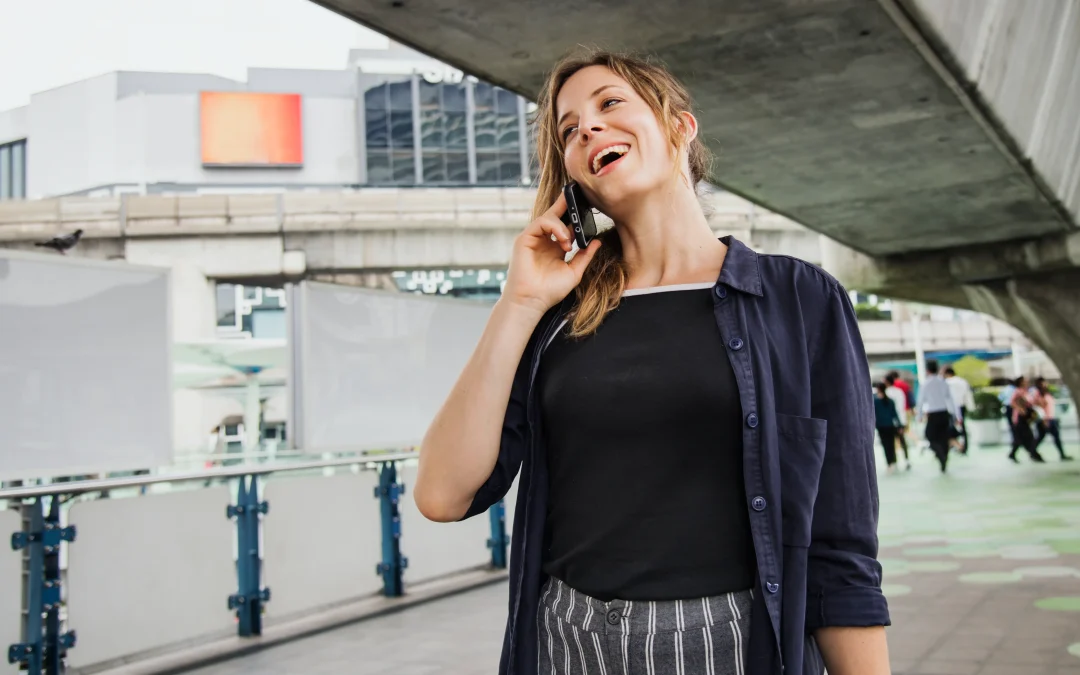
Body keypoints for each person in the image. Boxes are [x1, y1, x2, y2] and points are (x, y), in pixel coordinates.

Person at [415, 50, 890, 675]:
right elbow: (444, 495)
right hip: (567, 639)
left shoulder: (798, 298)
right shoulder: (555, 315)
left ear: (679, 128)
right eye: (568, 128)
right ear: (574, 178)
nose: (586, 128)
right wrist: (521, 301)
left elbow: (841, 537)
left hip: (727, 643)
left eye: (610, 104)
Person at [916, 360, 961, 473]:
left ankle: (941, 456)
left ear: (927, 370)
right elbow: (950, 399)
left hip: (933, 414)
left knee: (930, 436)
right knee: (943, 438)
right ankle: (944, 458)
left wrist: (919, 416)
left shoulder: (925, 384)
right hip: (944, 413)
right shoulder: (943, 382)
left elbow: (920, 401)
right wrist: (955, 415)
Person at [1032, 377, 1072, 461]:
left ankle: (1062, 454)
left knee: (1049, 437)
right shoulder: (1037, 395)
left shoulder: (1047, 393)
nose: (1045, 384)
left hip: (1051, 418)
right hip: (1045, 419)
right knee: (1043, 437)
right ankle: (1032, 452)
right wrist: (1044, 420)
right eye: (1043, 383)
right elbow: (1039, 408)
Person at [1007, 376, 1045, 464]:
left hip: (1026, 418)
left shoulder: (1026, 391)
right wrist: (1020, 409)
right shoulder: (1018, 391)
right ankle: (1034, 454)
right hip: (1019, 418)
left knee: (1021, 438)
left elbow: (1031, 402)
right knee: (1027, 437)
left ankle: (1014, 454)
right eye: (1024, 381)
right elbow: (1012, 402)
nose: (1027, 381)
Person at [873, 382, 904, 473]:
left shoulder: (875, 401)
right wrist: (899, 425)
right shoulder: (890, 401)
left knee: (886, 446)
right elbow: (895, 414)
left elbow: (874, 415)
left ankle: (890, 463)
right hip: (890, 426)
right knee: (891, 444)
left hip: (881, 427)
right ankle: (893, 461)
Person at [944, 367, 975, 453]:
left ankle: (955, 445)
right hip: (962, 406)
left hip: (950, 408)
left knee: (950, 427)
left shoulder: (947, 382)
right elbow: (968, 394)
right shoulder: (962, 381)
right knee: (962, 426)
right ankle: (964, 446)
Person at [884, 373, 912, 466]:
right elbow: (903, 405)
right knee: (902, 440)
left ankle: (894, 461)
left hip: (891, 421)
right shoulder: (899, 391)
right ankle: (907, 459)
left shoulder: (887, 392)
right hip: (901, 419)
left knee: (891, 442)